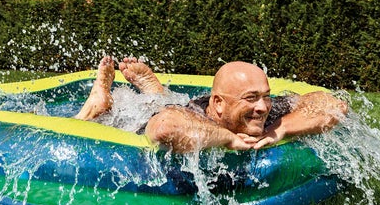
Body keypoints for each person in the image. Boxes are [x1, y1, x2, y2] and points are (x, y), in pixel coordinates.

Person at [75, 56, 348, 152]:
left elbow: (332, 104)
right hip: (140, 122)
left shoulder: (267, 111)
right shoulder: (197, 118)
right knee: (94, 121)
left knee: (165, 102)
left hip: (185, 108)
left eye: (266, 96)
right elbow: (165, 128)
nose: (263, 107)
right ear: (218, 104)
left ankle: (155, 91)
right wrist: (229, 139)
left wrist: (282, 129)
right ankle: (97, 101)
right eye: (251, 98)